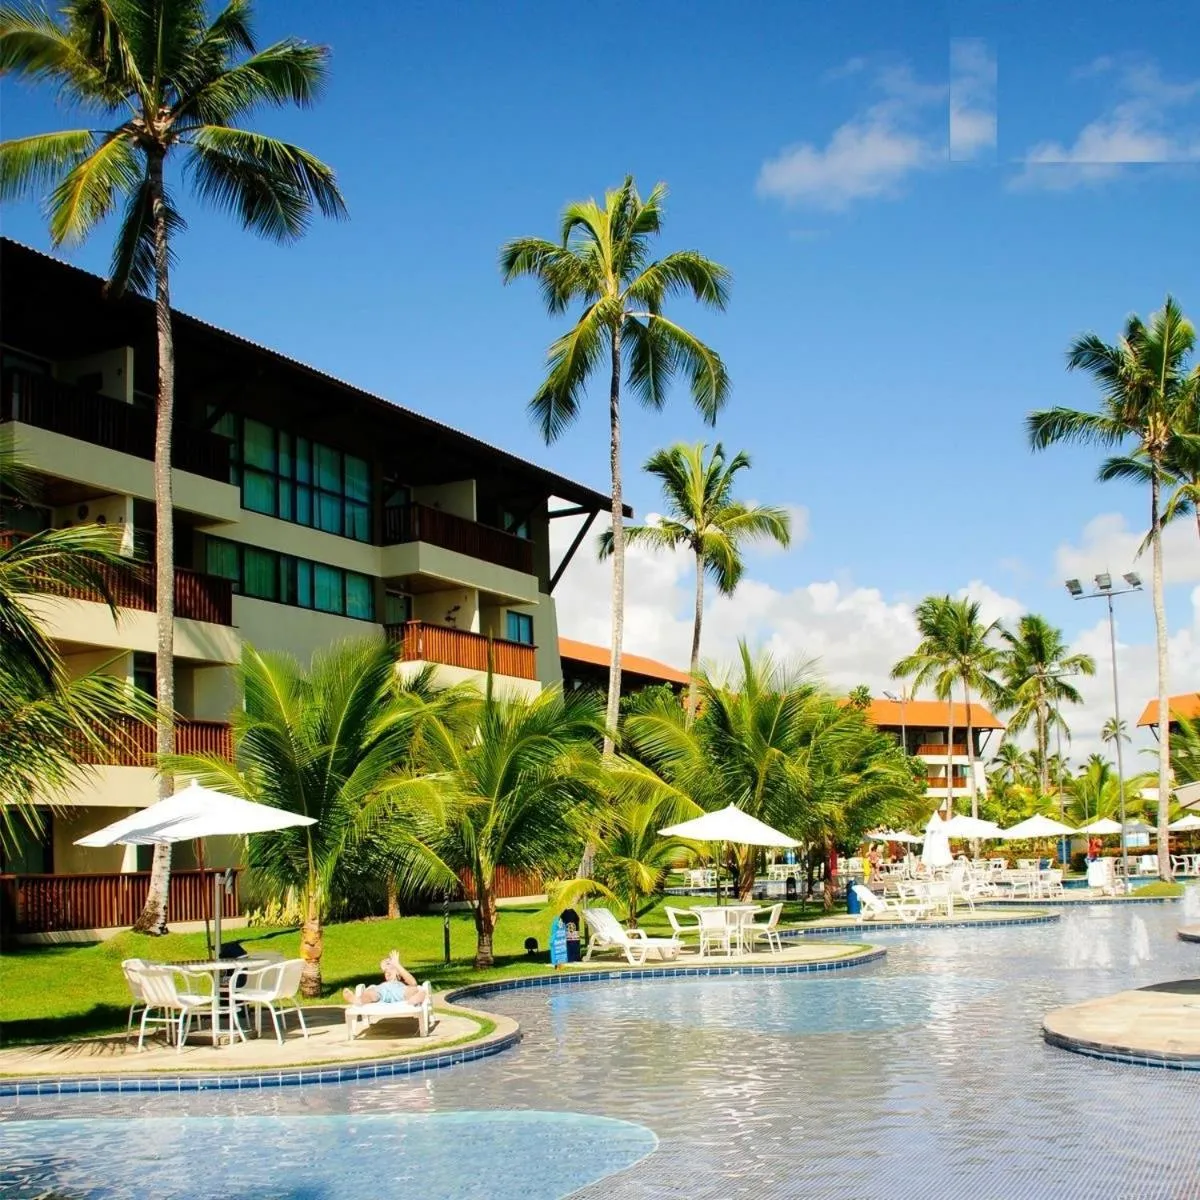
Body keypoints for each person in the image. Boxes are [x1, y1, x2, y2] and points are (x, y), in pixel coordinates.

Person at [343, 950, 424, 1006]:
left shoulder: (403, 986)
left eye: (391, 969)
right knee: (370, 992)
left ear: (399, 973)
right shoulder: (381, 986)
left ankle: (415, 999)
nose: (387, 972)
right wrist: (387, 966)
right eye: (385, 971)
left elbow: (413, 983)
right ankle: (357, 1000)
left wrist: (397, 964)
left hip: (399, 991)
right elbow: (375, 991)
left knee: (415, 990)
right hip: (382, 991)